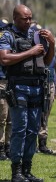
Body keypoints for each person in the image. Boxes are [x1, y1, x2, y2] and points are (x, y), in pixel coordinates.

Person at [0, 4, 55, 182]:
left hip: (37, 88)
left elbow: (45, 61)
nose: (29, 21)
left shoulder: (36, 35)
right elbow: (4, 58)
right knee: (20, 129)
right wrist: (30, 51)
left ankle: (27, 169)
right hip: (19, 88)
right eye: (25, 18)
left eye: (30, 17)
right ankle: (16, 171)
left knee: (33, 130)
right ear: (15, 18)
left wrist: (52, 44)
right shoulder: (7, 35)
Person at [36, 26, 56, 155]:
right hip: (36, 83)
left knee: (45, 113)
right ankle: (33, 144)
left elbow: (52, 68)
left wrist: (54, 85)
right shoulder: (34, 47)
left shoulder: (51, 47)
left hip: (48, 83)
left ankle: (42, 142)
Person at [0, 18, 11, 161]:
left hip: (11, 81)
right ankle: (1, 147)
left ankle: (8, 146)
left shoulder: (9, 43)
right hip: (1, 81)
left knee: (11, 119)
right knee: (1, 117)